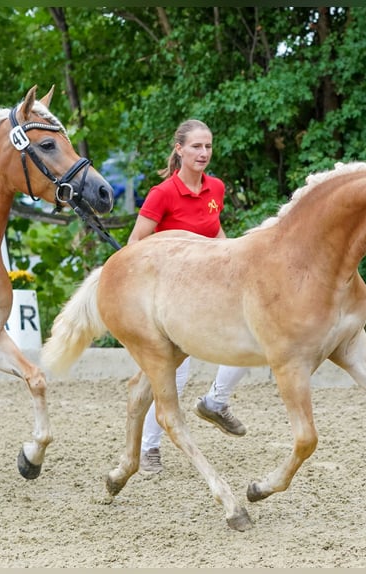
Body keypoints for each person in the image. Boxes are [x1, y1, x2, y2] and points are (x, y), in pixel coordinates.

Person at [127, 119, 249, 474]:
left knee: (252, 342)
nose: (204, 153)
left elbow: (216, 232)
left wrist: (233, 257)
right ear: (179, 149)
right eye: (196, 146)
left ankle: (215, 401)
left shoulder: (217, 189)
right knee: (172, 376)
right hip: (172, 299)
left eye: (208, 146)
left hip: (211, 288)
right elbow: (136, 244)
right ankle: (149, 449)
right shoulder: (162, 193)